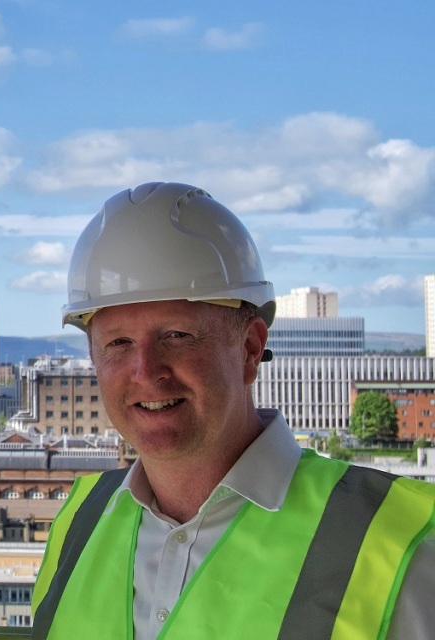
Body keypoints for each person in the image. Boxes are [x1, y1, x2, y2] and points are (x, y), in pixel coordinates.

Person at [31, 182, 435, 639]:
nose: (146, 371)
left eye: (177, 335)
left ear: (249, 348)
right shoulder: (78, 523)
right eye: (118, 342)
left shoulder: (401, 543)